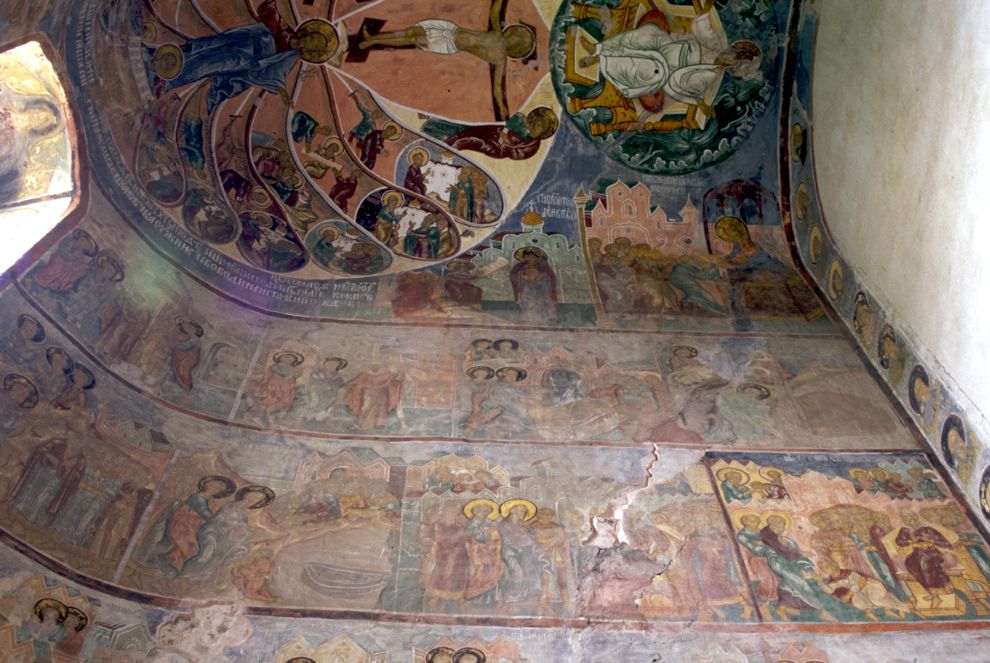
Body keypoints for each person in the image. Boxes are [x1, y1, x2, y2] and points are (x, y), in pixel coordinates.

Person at [357, 0, 536, 120]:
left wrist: (504, 112)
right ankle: (373, 38)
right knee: (410, 31)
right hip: (450, 29)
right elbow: (495, 10)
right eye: (517, 33)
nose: (515, 35)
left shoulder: (499, 58)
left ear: (517, 47)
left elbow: (497, 89)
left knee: (412, 38)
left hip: (449, 43)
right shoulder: (497, 32)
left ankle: (372, 42)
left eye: (518, 38)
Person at [156, 3, 340, 112]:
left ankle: (170, 82)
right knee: (205, 52)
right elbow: (268, 10)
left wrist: (283, 93)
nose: (307, 44)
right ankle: (166, 66)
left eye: (312, 46)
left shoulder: (291, 57)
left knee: (207, 66)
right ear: (307, 34)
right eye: (311, 39)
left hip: (243, 61)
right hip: (242, 42)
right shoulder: (285, 29)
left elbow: (276, 74)